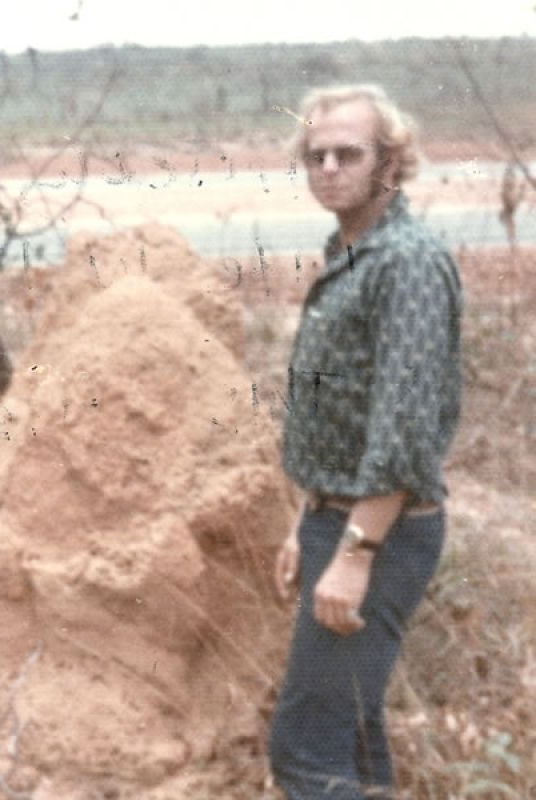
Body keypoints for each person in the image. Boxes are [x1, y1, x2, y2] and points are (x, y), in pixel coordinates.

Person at [269, 85, 462, 799]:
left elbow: (403, 428)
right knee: (350, 730)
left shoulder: (404, 262)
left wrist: (352, 556)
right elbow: (341, 413)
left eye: (347, 153)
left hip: (379, 533)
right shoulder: (351, 251)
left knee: (303, 751)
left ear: (390, 163)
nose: (327, 167)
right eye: (315, 154)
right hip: (339, 516)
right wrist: (306, 519)